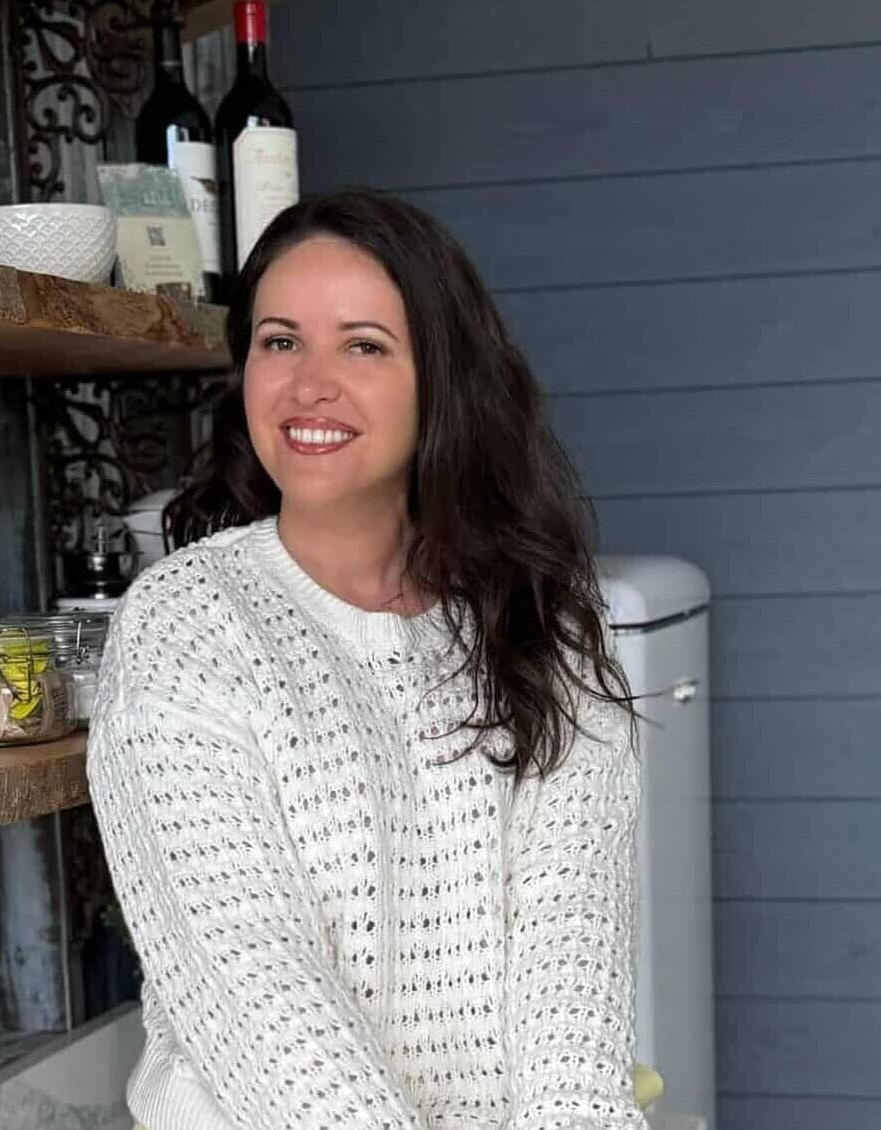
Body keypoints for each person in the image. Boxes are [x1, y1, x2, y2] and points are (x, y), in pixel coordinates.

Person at [87, 189, 647, 1130]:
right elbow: (255, 985)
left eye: (363, 346)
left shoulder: (543, 620)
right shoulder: (186, 624)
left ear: (442, 380)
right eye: (279, 341)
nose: (310, 386)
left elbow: (573, 954)